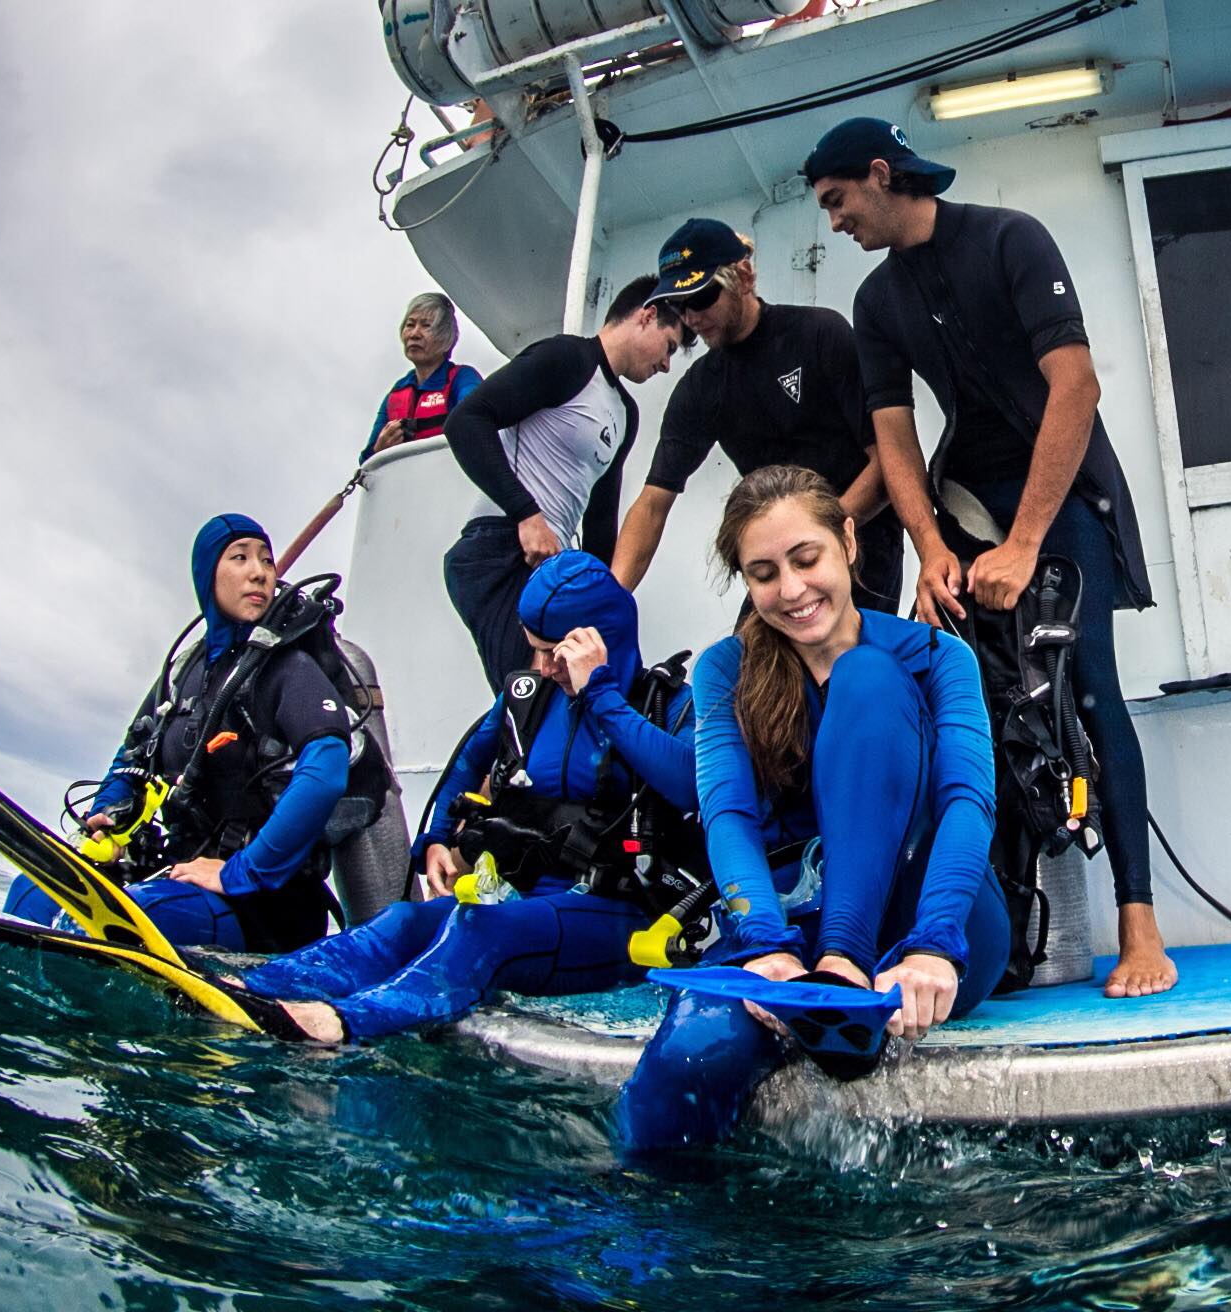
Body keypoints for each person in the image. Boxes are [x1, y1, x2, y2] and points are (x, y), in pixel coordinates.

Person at [806, 115, 1178, 998]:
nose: (833, 223)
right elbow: (894, 439)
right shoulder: (876, 303)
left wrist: (1023, 544)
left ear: (879, 173)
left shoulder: (1011, 238)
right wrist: (932, 548)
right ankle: (1007, 926)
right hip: (966, 500)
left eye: (836, 202)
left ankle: (1139, 927)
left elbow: (1076, 386)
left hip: (1062, 490)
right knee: (982, 703)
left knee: (1088, 688)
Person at [615, 467, 1005, 1149]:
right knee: (687, 1056)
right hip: (792, 931)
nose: (791, 590)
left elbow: (968, 801)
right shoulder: (725, 668)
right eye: (764, 573)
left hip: (935, 915)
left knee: (866, 675)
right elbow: (727, 813)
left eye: (806, 558)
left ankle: (846, 960)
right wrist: (764, 942)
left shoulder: (937, 655)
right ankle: (663, 1242)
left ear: (848, 543)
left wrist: (936, 945)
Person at [237, 551, 697, 1043]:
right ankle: (253, 988)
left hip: (619, 915)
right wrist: (434, 839)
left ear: (596, 641)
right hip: (521, 898)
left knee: (480, 932)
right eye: (534, 651)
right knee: (404, 921)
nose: (542, 668)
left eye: (554, 653)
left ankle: (346, 1024)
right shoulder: (530, 697)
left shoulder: (667, 705)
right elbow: (467, 763)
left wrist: (600, 693)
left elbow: (687, 781)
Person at [6, 515, 351, 953]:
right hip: (180, 874)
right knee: (30, 894)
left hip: (266, 901)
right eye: (240, 557)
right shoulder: (183, 673)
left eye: (266, 559)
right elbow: (131, 754)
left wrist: (240, 872)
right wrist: (110, 818)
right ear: (208, 573)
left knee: (133, 919)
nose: (259, 571)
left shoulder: (289, 668)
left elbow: (327, 773)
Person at [612, 217, 904, 613]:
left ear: (744, 277)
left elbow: (889, 461)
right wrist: (609, 599)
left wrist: (824, 534)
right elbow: (652, 504)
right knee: (750, 672)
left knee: (851, 672)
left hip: (860, 542)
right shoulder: (700, 388)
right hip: (782, 559)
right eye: (678, 307)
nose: (691, 318)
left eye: (700, 297)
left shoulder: (819, 334)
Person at [440, 278, 682, 690]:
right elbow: (465, 421)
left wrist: (601, 595)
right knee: (531, 694)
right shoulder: (567, 358)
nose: (666, 365)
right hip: (500, 549)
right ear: (648, 315)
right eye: (670, 346)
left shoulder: (625, 413)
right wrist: (526, 514)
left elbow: (600, 519)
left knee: (578, 689)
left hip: (549, 567)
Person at [361, 292, 483, 463]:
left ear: (447, 338)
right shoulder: (396, 393)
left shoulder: (462, 378)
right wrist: (379, 449)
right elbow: (367, 461)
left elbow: (476, 420)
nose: (414, 334)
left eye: (426, 326)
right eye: (410, 325)